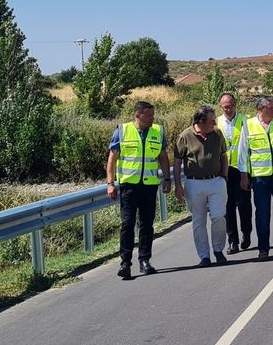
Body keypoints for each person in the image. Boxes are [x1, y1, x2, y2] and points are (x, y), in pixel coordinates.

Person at [106, 100, 171, 280]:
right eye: (148, 115)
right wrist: (110, 183)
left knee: (146, 224)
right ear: (138, 115)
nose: (152, 118)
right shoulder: (123, 130)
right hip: (129, 186)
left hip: (149, 186)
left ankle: (145, 260)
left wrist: (167, 180)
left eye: (153, 115)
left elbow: (163, 158)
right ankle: (125, 262)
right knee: (127, 224)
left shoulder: (158, 132)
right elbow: (112, 158)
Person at [237, 97, 273, 260]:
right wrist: (244, 175)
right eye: (271, 108)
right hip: (260, 177)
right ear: (260, 109)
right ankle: (263, 248)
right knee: (262, 212)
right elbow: (243, 153)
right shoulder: (248, 125)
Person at [174, 105, 229, 267]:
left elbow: (223, 156)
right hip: (194, 183)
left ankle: (218, 249)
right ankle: (204, 255)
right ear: (201, 121)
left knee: (218, 216)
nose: (215, 124)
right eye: (212, 121)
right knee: (199, 221)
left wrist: (224, 177)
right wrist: (178, 185)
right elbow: (177, 163)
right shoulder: (185, 136)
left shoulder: (217, 134)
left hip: (216, 181)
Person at [217, 92, 253, 254]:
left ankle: (246, 233)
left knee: (244, 206)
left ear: (235, 105)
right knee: (227, 208)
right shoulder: (216, 122)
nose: (228, 109)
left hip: (242, 169)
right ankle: (233, 241)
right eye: (225, 107)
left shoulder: (245, 121)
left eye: (230, 106)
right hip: (224, 171)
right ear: (220, 106)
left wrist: (246, 172)